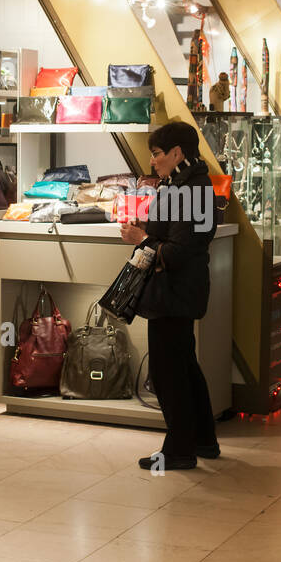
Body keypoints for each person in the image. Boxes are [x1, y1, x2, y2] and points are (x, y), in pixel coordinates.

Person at [121, 121, 218, 470]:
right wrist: (147, 232)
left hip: (173, 293)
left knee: (167, 373)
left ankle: (179, 449)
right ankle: (203, 439)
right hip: (179, 292)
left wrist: (140, 240)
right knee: (184, 367)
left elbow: (179, 251)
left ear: (177, 152)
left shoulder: (189, 189)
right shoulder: (188, 183)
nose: (152, 161)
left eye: (157, 153)